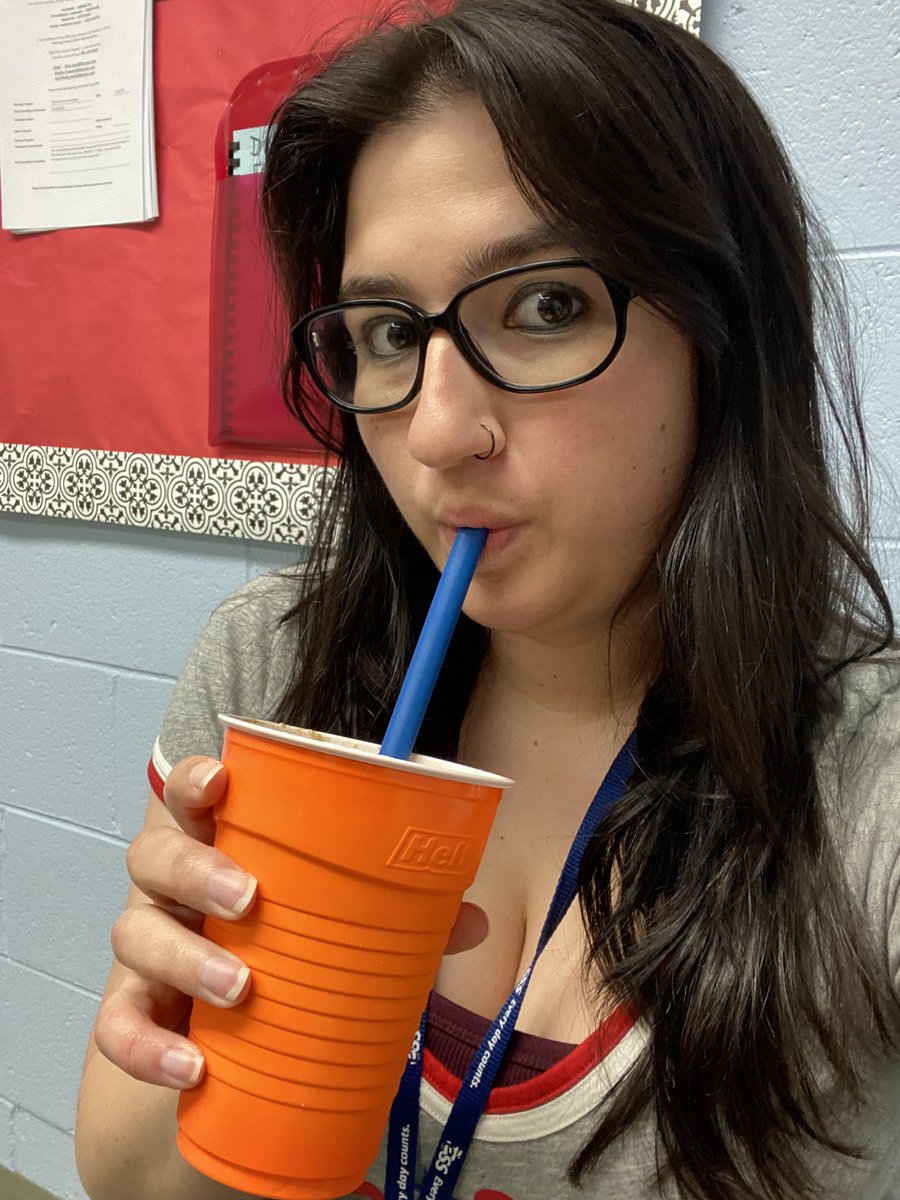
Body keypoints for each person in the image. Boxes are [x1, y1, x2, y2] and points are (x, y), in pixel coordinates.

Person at [74, 1, 900, 1197]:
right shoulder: (275, 678)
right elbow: (136, 1183)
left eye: (547, 304)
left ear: (724, 335)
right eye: (387, 332)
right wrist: (181, 1020)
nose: (439, 433)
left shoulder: (862, 787)